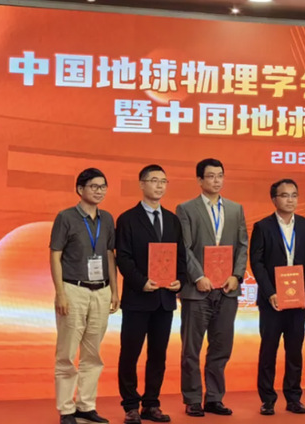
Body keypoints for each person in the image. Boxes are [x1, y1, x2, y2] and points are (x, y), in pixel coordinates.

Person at [176, 158, 248, 417]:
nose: (216, 181)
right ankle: (193, 398)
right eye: (210, 176)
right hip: (197, 290)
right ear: (199, 180)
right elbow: (184, 247)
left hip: (227, 290)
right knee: (191, 349)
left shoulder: (235, 209)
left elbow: (243, 245)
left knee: (221, 347)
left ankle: (215, 398)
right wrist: (198, 276)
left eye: (220, 176)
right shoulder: (186, 209)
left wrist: (237, 275)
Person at [116, 164, 185, 424]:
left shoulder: (172, 220)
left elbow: (180, 255)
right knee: (130, 353)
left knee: (158, 354)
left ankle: (151, 403)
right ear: (142, 184)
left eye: (163, 181)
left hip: (164, 299)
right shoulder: (127, 219)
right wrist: (141, 282)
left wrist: (180, 280)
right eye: (154, 180)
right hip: (138, 298)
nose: (159, 185)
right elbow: (123, 257)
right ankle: (130, 405)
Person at [50, 168, 120, 424]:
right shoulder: (65, 217)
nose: (99, 191)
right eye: (93, 186)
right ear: (80, 189)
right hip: (73, 289)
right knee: (67, 353)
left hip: (101, 290)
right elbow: (55, 255)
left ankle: (86, 406)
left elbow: (110, 254)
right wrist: (60, 292)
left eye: (103, 186)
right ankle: (66, 409)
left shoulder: (107, 218)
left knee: (93, 354)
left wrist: (115, 290)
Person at [250, 179, 305, 416]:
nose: (290, 200)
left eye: (294, 195)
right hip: (273, 300)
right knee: (268, 350)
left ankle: (293, 398)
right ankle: (267, 399)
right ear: (274, 199)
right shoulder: (263, 226)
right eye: (284, 195)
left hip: (298, 299)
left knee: (294, 351)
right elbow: (257, 263)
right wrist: (270, 292)